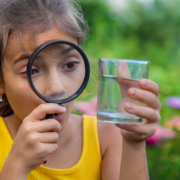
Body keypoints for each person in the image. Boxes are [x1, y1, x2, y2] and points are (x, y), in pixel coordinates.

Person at [0, 0, 161, 180]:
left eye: (69, 64)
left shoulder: (106, 136)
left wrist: (133, 144)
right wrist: (17, 166)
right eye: (31, 70)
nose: (56, 88)